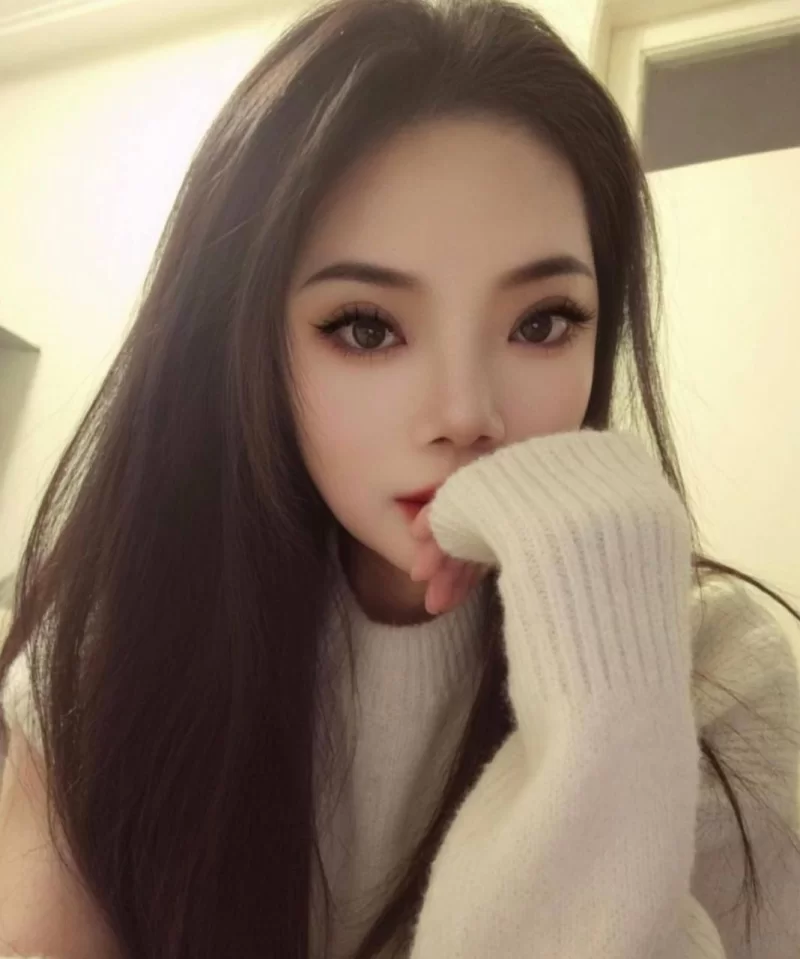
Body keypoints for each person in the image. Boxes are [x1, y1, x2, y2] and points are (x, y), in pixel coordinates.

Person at [0, 0, 798, 957]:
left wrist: (607, 710)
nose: (465, 413)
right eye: (366, 327)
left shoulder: (719, 666)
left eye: (543, 321)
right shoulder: (111, 644)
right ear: (247, 350)